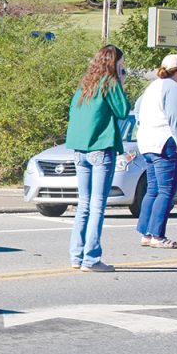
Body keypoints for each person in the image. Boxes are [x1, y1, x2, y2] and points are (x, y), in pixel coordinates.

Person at [65, 44, 131, 273]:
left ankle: (76, 254)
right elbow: (123, 110)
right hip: (100, 148)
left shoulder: (85, 85)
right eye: (120, 65)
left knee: (83, 203)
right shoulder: (110, 83)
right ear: (115, 63)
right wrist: (121, 81)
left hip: (79, 149)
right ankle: (91, 258)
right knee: (97, 205)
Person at [134, 53, 177, 249]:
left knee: (153, 189)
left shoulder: (151, 88)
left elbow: (137, 111)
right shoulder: (174, 89)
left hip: (147, 143)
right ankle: (158, 235)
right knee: (166, 190)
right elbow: (176, 119)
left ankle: (146, 232)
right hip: (167, 143)